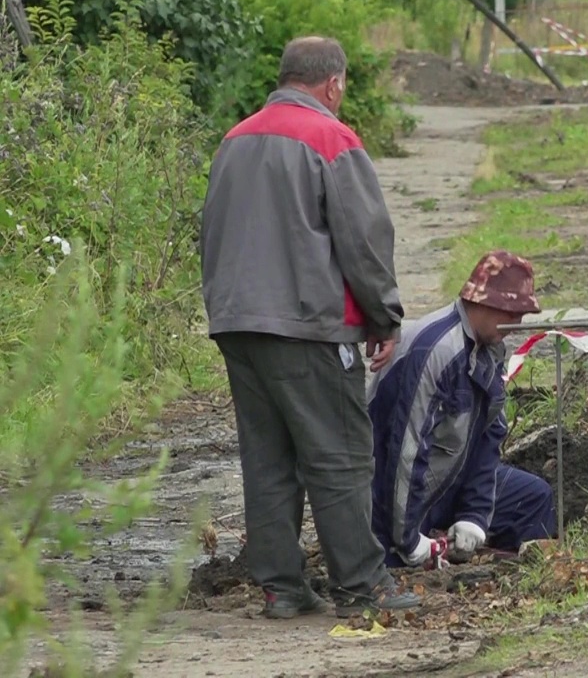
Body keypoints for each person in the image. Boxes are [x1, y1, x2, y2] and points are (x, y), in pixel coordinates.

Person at [200, 35, 420, 618]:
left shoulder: (234, 139)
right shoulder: (331, 138)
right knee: (339, 455)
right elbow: (365, 241)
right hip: (308, 326)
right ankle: (362, 584)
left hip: (237, 325)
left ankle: (282, 588)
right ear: (335, 84)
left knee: (268, 460)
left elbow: (211, 230)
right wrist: (383, 316)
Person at [368, 250, 558, 569]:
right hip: (386, 491)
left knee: (533, 497)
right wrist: (410, 540)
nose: (516, 324)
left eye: (521, 314)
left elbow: (489, 438)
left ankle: (517, 582)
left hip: (447, 478)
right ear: (479, 300)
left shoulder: (489, 348)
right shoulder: (438, 350)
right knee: (393, 563)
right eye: (509, 312)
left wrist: (476, 516)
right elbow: (406, 453)